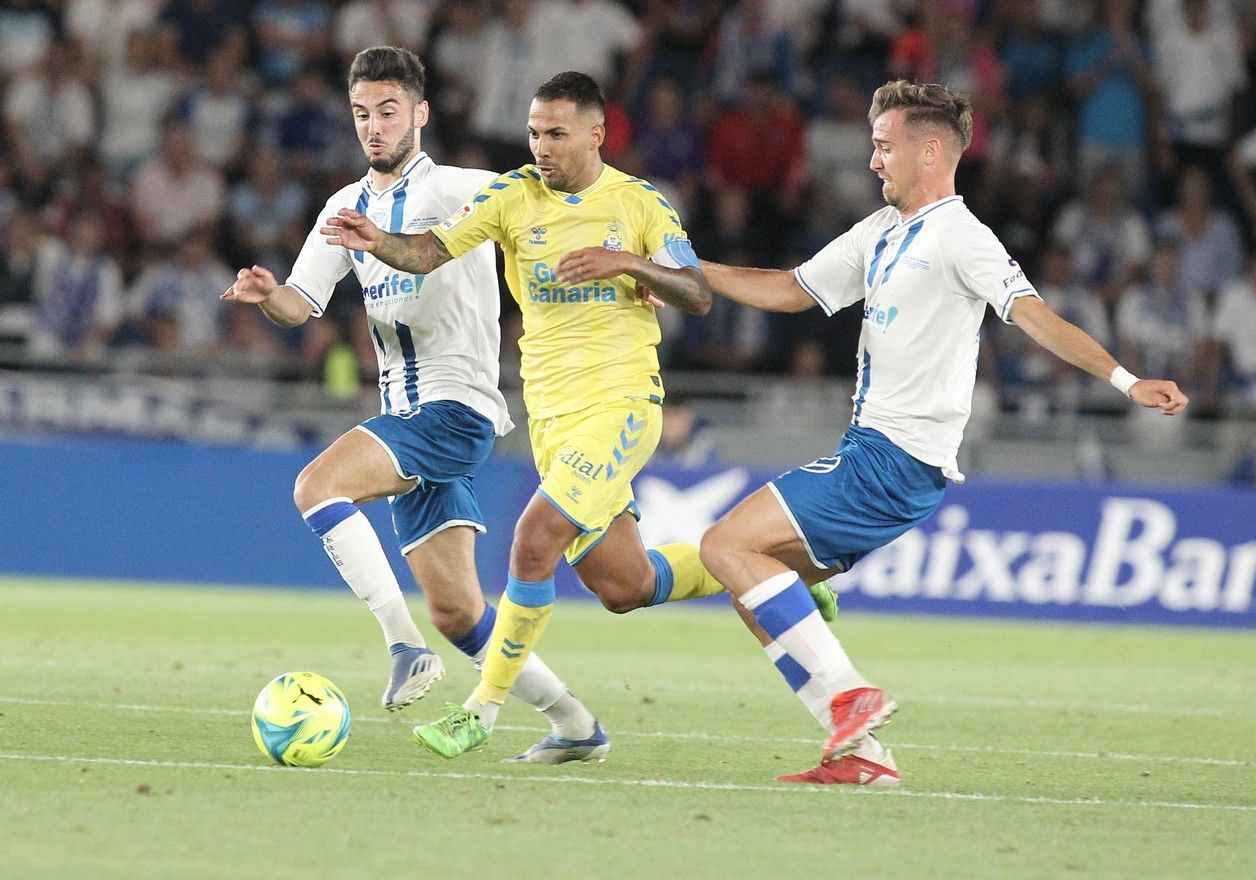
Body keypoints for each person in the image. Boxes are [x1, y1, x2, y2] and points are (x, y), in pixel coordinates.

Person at [321, 71, 837, 761]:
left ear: (597, 134)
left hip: (622, 405)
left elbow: (697, 292)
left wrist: (626, 262)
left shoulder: (639, 204)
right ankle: (775, 567)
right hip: (554, 420)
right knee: (624, 584)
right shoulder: (511, 197)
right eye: (535, 132)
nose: (542, 146)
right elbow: (427, 253)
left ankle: (482, 709)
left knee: (534, 536)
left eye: (557, 134)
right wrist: (374, 238)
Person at [696, 80, 1189, 786]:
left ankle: (849, 694)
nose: (873, 162)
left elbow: (1037, 317)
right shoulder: (881, 231)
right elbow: (788, 290)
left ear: (931, 151)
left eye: (884, 146)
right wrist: (684, 271)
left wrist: (1126, 381)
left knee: (724, 544)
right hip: (870, 453)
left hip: (895, 457)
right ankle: (863, 754)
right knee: (755, 592)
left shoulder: (964, 237)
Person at [220, 46, 603, 763]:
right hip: (410, 418)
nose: (374, 127)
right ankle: (578, 726)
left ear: (421, 114)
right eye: (362, 113)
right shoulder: (343, 206)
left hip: (454, 409)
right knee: (461, 612)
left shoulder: (467, 189)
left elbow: (560, 204)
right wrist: (269, 296)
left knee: (316, 486)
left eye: (388, 111)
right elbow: (302, 305)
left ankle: (403, 645)